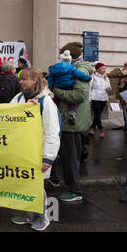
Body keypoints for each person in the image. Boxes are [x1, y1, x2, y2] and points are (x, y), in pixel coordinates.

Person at [10, 67, 60, 231]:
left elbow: (53, 132)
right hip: (22, 151)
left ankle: (44, 217)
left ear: (34, 81)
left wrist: (48, 157)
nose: (20, 82)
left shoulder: (46, 102)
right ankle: (29, 215)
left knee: (37, 186)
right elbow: (7, 116)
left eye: (24, 79)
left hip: (38, 153)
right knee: (25, 184)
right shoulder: (19, 98)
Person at [52, 41, 93, 203]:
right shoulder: (73, 68)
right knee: (69, 156)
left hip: (71, 121)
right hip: (69, 119)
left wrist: (56, 90)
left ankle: (75, 190)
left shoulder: (79, 70)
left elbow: (79, 95)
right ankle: (71, 186)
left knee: (70, 157)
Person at [48, 50, 91, 125]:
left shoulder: (54, 68)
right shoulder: (71, 67)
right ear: (69, 60)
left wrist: (51, 89)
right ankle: (72, 114)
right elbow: (80, 75)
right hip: (69, 86)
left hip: (58, 86)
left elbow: (50, 80)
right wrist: (88, 78)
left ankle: (53, 113)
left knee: (55, 100)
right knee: (72, 101)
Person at [88, 62, 112, 138]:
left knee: (97, 115)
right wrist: (89, 100)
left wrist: (109, 89)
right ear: (98, 69)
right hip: (95, 98)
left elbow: (108, 88)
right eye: (102, 69)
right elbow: (89, 89)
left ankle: (92, 128)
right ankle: (101, 129)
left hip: (103, 98)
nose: (104, 70)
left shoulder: (106, 78)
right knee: (97, 114)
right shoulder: (93, 77)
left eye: (105, 68)